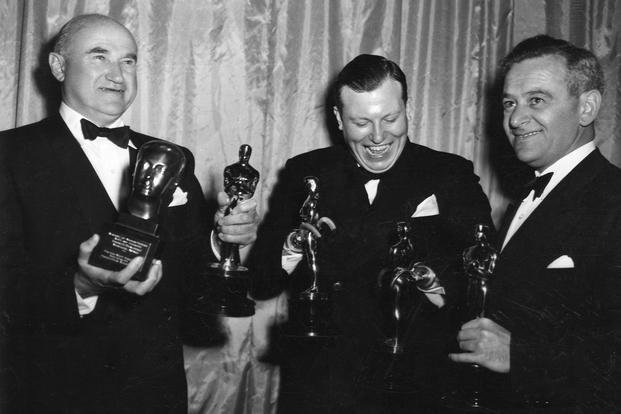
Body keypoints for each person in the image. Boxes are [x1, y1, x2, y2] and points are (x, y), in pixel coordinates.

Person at [0, 14, 258, 413]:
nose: (117, 74)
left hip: (154, 389)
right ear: (58, 66)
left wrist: (221, 237)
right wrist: (82, 286)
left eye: (129, 60)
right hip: (54, 390)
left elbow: (191, 274)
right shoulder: (11, 155)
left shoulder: (174, 156)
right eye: (99, 56)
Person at [249, 54, 493, 412]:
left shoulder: (450, 173)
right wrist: (293, 246)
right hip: (323, 387)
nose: (378, 137)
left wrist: (434, 286)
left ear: (407, 109)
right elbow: (262, 281)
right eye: (361, 122)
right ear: (338, 120)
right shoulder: (306, 173)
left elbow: (486, 275)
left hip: (417, 386)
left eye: (390, 118)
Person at [449, 35, 621, 411]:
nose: (515, 118)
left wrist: (521, 355)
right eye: (509, 102)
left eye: (536, 100)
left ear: (587, 107)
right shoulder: (523, 202)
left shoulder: (613, 200)